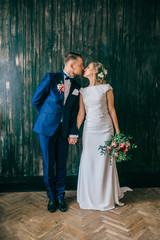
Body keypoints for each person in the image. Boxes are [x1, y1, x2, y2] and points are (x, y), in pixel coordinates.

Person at [31, 52, 84, 213]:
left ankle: (60, 196)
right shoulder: (51, 78)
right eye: (80, 64)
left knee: (62, 164)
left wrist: (73, 132)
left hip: (64, 131)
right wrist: (48, 116)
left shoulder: (76, 86)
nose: (82, 67)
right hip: (46, 129)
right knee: (48, 165)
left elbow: (74, 112)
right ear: (71, 65)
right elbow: (36, 100)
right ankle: (51, 197)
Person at [77, 62, 132, 211]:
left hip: (105, 129)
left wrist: (118, 132)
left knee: (104, 162)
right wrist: (74, 131)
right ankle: (91, 196)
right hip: (90, 130)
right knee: (90, 161)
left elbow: (112, 110)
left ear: (95, 71)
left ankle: (105, 197)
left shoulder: (106, 88)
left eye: (88, 67)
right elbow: (81, 113)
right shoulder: (82, 91)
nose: (85, 69)